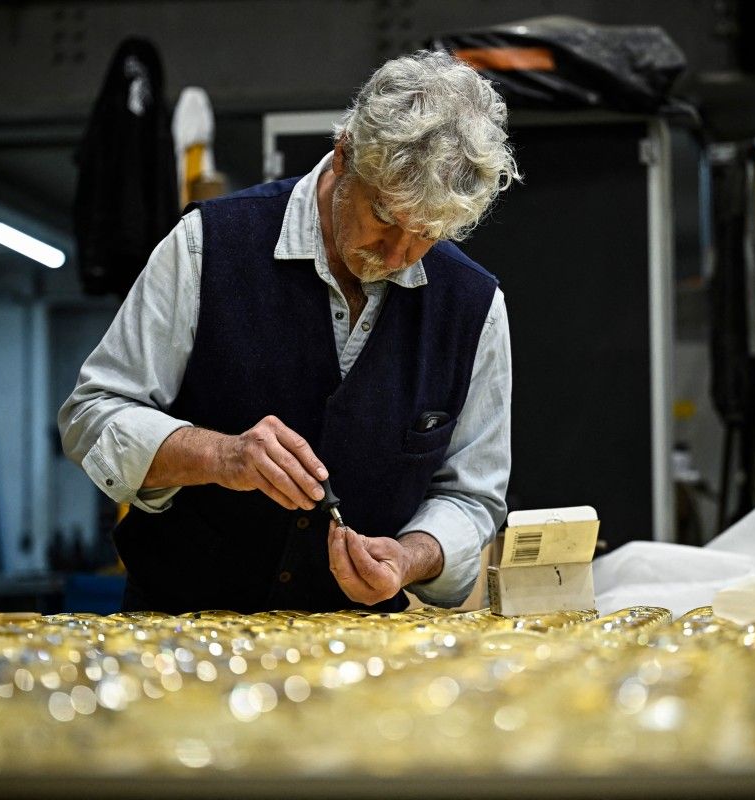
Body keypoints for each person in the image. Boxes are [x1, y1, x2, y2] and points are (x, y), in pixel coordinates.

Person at [59, 51, 519, 614]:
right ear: (344, 154)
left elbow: (470, 497)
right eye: (385, 218)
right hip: (184, 637)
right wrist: (221, 456)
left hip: (366, 657)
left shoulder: (473, 306)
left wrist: (407, 557)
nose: (399, 255)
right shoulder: (208, 245)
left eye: (425, 233)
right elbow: (93, 414)